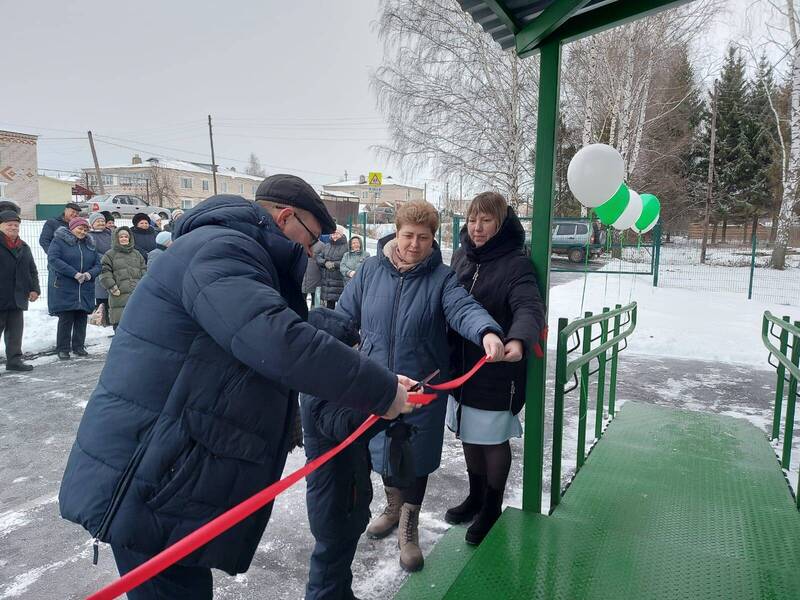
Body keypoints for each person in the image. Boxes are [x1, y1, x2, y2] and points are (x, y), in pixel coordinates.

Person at [59, 174, 418, 600]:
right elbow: (274, 337)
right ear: (286, 217)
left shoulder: (231, 254)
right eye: (310, 242)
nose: (310, 254)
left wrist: (340, 334)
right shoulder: (220, 249)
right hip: (148, 476)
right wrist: (382, 392)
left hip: (166, 474)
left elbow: (262, 322)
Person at [336, 200, 505, 572]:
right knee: (379, 450)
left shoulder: (442, 278)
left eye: (424, 238)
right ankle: (393, 507)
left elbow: (463, 309)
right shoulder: (369, 271)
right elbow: (344, 316)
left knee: (415, 456)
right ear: (395, 233)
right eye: (408, 235)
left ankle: (408, 526)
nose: (414, 244)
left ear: (434, 239)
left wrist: (487, 331)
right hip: (376, 382)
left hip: (422, 386)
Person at [446, 192, 546, 545]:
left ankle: (491, 506)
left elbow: (528, 307)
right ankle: (475, 497)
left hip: (496, 367)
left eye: (486, 220)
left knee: (491, 439)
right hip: (460, 368)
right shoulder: (461, 257)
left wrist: (517, 341)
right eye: (473, 219)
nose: (477, 227)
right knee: (468, 433)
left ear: (501, 223)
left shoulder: (516, 264)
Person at [300, 307, 392, 600]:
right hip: (333, 503)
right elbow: (347, 424)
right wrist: (387, 406)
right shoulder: (318, 397)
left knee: (340, 564)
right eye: (350, 356)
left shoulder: (338, 386)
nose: (358, 361)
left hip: (349, 497)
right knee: (327, 571)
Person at [47, 217, 101, 360]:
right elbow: (53, 259)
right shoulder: (58, 241)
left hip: (84, 286)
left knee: (81, 317)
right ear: (72, 228)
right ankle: (63, 348)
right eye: (80, 228)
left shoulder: (90, 245)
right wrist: (74, 273)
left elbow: (98, 264)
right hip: (66, 285)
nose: (82, 232)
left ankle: (79, 346)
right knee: (66, 318)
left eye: (85, 229)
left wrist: (90, 274)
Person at [0, 210, 40, 371]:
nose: (13, 227)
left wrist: (35, 289)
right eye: (9, 224)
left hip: (17, 297)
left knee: (15, 332)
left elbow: (32, 270)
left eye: (16, 225)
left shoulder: (23, 246)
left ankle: (14, 360)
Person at [99, 227, 147, 331]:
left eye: (126, 237)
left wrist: (144, 286)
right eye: (121, 237)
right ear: (116, 238)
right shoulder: (109, 254)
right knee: (120, 322)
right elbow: (104, 272)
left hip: (136, 293)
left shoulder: (137, 254)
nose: (124, 238)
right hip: (119, 293)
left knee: (137, 322)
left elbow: (144, 270)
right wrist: (112, 286)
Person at [88, 213, 113, 327]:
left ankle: (111, 317)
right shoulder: (89, 236)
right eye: (98, 221)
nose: (101, 223)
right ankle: (101, 318)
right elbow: (92, 251)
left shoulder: (110, 234)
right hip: (99, 265)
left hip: (112, 265)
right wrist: (105, 258)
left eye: (102, 221)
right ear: (92, 223)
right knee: (100, 290)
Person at [316, 229, 347, 309]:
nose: (335, 236)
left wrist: (334, 264)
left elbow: (347, 261)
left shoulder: (346, 246)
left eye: (337, 234)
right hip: (327, 281)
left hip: (340, 280)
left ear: (342, 235)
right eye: (333, 234)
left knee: (342, 305)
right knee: (330, 305)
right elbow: (318, 257)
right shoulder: (327, 246)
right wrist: (325, 262)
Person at [302, 240, 324, 307]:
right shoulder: (300, 240)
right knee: (302, 298)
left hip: (316, 276)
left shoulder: (321, 245)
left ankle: (314, 313)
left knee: (315, 299)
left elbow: (322, 259)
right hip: (302, 275)